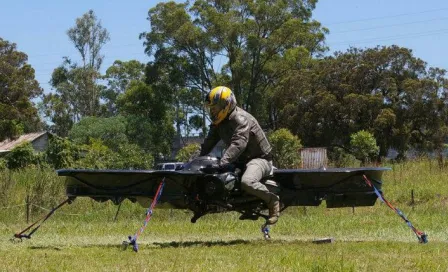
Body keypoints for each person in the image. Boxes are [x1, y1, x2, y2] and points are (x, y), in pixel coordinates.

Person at [199, 86, 280, 224]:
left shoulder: (240, 119)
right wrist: (192, 163)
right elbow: (207, 146)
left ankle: (273, 201)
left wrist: (222, 163)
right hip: (240, 161)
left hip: (260, 159)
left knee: (247, 182)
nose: (212, 112)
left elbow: (238, 144)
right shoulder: (218, 123)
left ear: (226, 105)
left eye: (215, 108)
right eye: (210, 108)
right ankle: (247, 206)